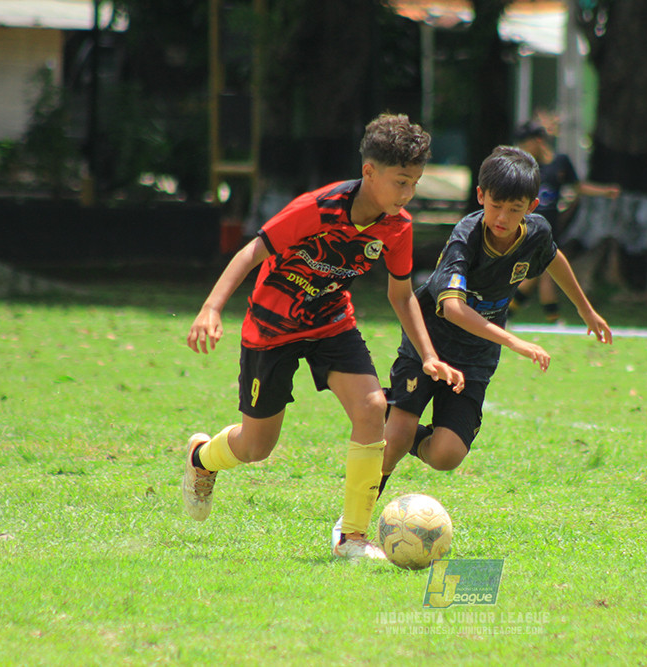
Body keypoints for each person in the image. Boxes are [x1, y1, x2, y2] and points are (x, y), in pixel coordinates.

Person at [182, 113, 465, 561]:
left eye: (415, 183)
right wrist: (212, 307)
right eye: (400, 182)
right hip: (272, 327)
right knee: (256, 447)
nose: (408, 194)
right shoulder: (318, 208)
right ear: (369, 172)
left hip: (331, 322)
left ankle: (351, 538)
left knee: (373, 408)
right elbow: (252, 251)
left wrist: (428, 354)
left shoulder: (398, 226)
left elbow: (401, 294)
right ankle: (202, 457)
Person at [377, 145, 612, 495]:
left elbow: (553, 257)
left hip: (474, 357)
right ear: (481, 195)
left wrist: (585, 309)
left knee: (446, 456)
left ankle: (384, 408)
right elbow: (453, 308)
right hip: (429, 344)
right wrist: (513, 340)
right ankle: (354, 525)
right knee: (394, 439)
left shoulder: (536, 232)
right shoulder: (465, 239)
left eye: (514, 209)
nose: (502, 217)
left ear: (531, 208)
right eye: (495, 205)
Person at [511, 119, 619, 322]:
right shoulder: (524, 166)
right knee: (543, 272)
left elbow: (577, 186)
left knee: (541, 273)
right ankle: (549, 319)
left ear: (539, 140)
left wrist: (604, 191)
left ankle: (512, 315)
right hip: (529, 227)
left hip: (550, 228)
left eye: (526, 143)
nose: (523, 148)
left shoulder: (560, 163)